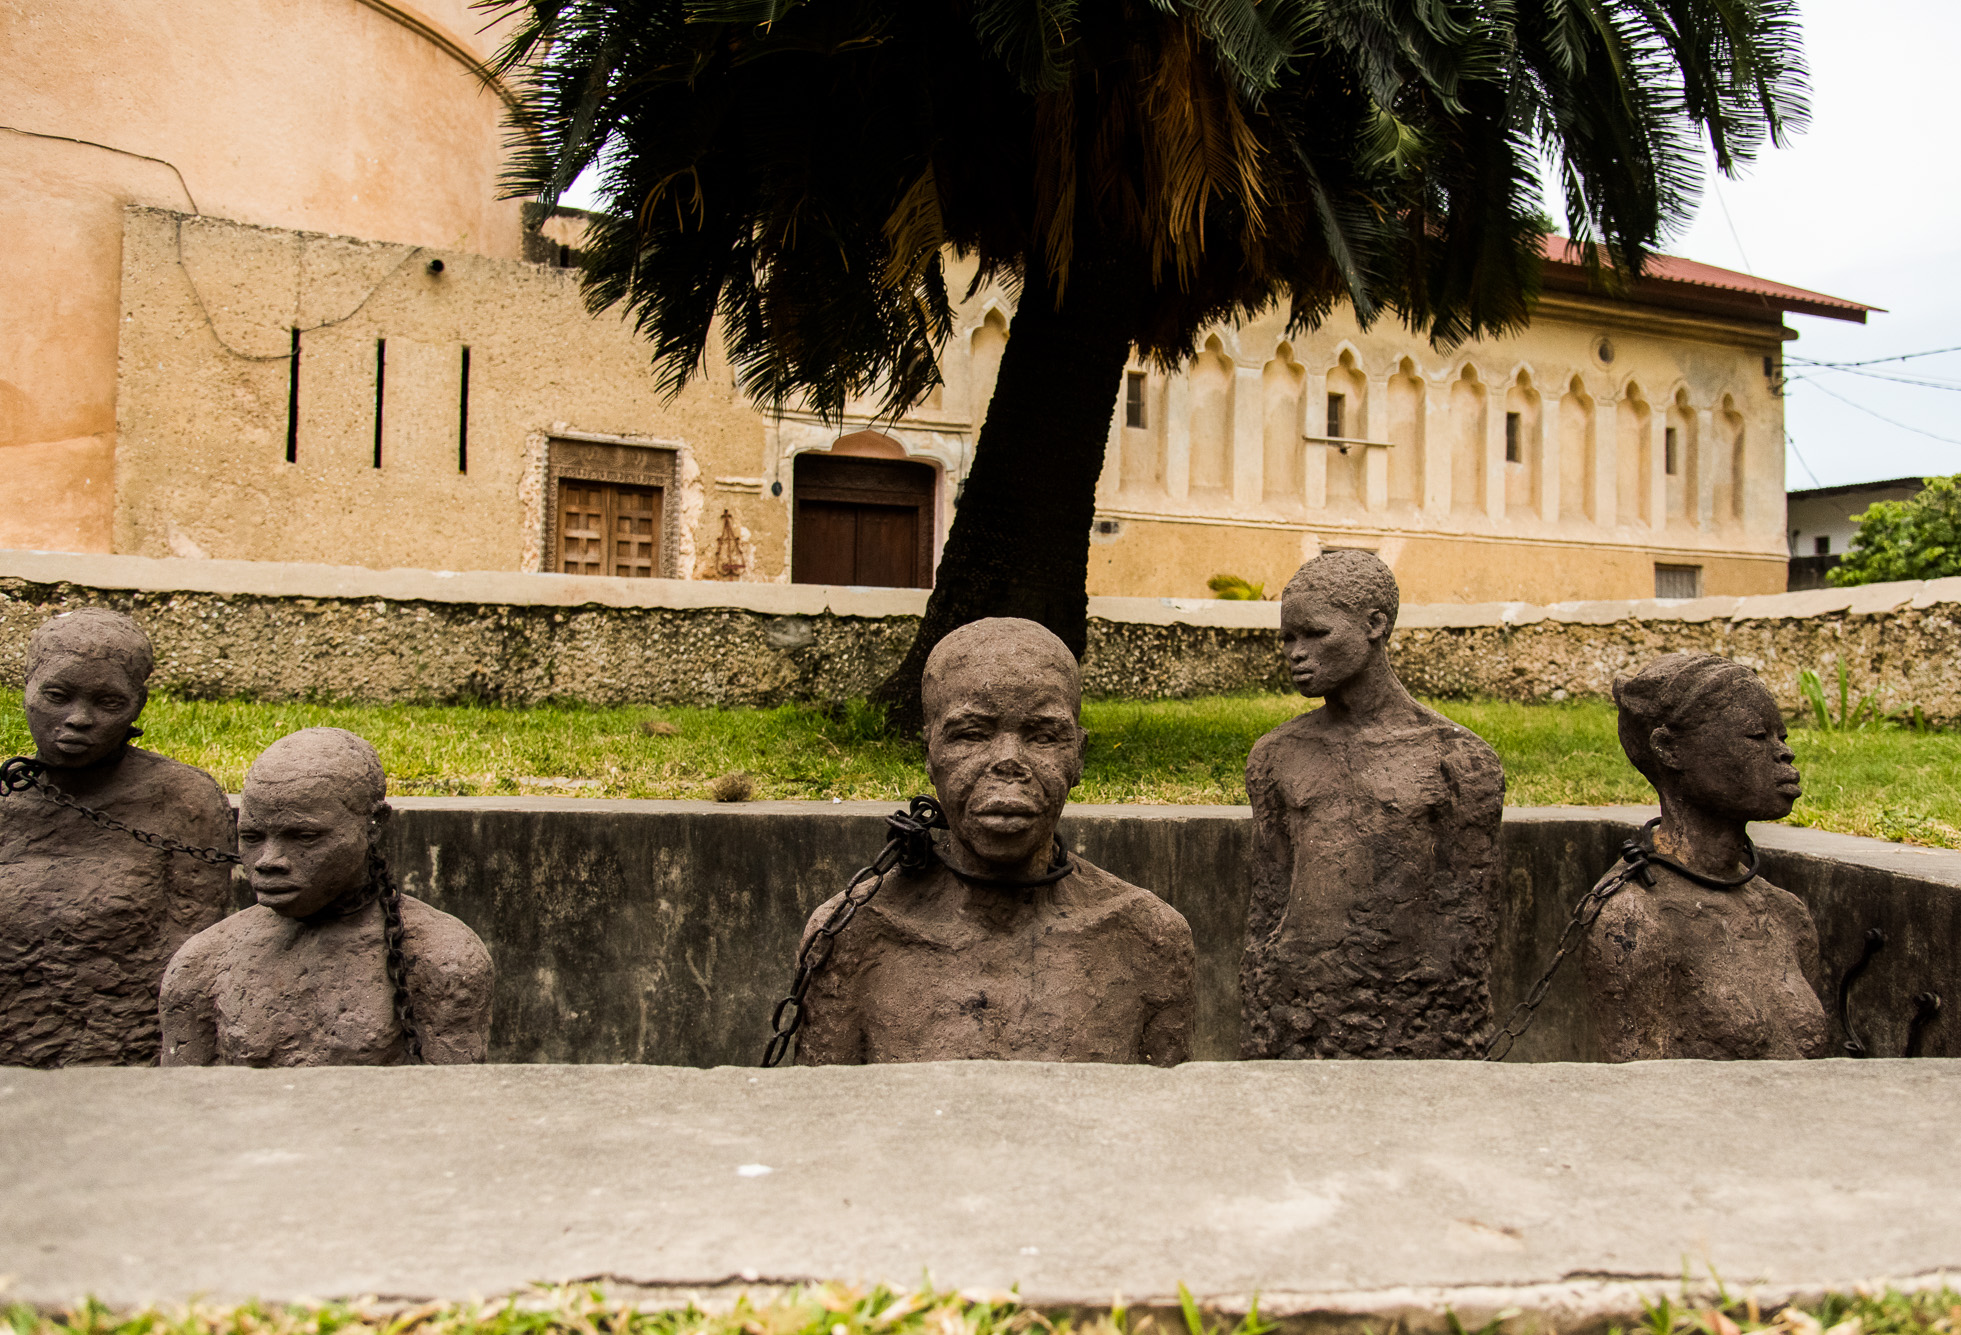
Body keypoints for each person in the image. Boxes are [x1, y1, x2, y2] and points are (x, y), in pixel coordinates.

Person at [793, 618, 1194, 1066]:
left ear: (1078, 756)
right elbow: (824, 1120)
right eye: (971, 734)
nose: (1008, 762)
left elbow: (1164, 1122)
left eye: (1043, 735)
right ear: (930, 754)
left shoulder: (1147, 937)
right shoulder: (853, 934)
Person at [1242, 550, 1505, 1059]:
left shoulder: (1460, 760)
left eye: (1315, 634)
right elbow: (1268, 902)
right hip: (1297, 1009)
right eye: (1288, 638)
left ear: (1374, 625)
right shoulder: (1275, 756)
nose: (1296, 653)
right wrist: (1261, 1003)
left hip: (1414, 1019)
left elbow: (1468, 924)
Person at [160, 727, 493, 1066]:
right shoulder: (200, 965)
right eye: (252, 836)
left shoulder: (445, 960)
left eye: (304, 836)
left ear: (373, 825)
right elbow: (178, 1105)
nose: (267, 861)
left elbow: (454, 1104)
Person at [1, 609, 233, 1066]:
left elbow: (193, 955)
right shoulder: (8, 795)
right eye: (57, 695)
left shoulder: (183, 801)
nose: (78, 719)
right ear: (25, 688)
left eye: (108, 703)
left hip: (126, 1048)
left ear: (138, 705)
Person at [1582, 653, 1828, 1061]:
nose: (1784, 753)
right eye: (1756, 737)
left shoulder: (1787, 914)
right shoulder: (1634, 923)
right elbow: (1638, 1096)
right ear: (1668, 749)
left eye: (1781, 736)